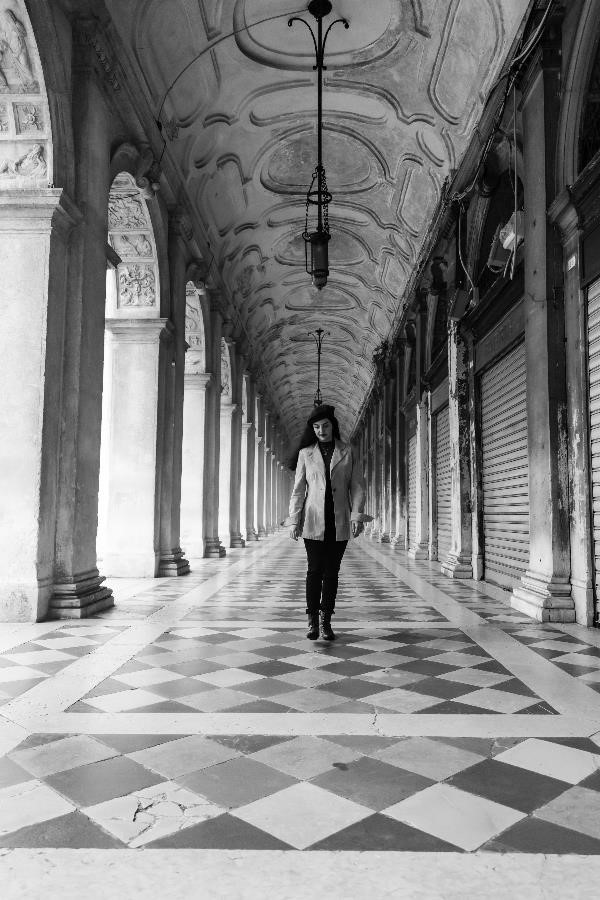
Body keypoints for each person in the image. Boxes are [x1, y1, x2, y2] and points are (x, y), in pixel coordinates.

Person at [285, 404, 371, 641]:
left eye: (324, 426)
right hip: (312, 520)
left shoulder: (348, 451)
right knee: (314, 571)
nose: (321, 430)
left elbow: (357, 486)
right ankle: (312, 620)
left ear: (333, 426)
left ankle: (326, 621)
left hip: (339, 519)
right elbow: (298, 489)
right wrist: (294, 521)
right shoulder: (306, 454)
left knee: (332, 573)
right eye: (316, 427)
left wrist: (357, 516)